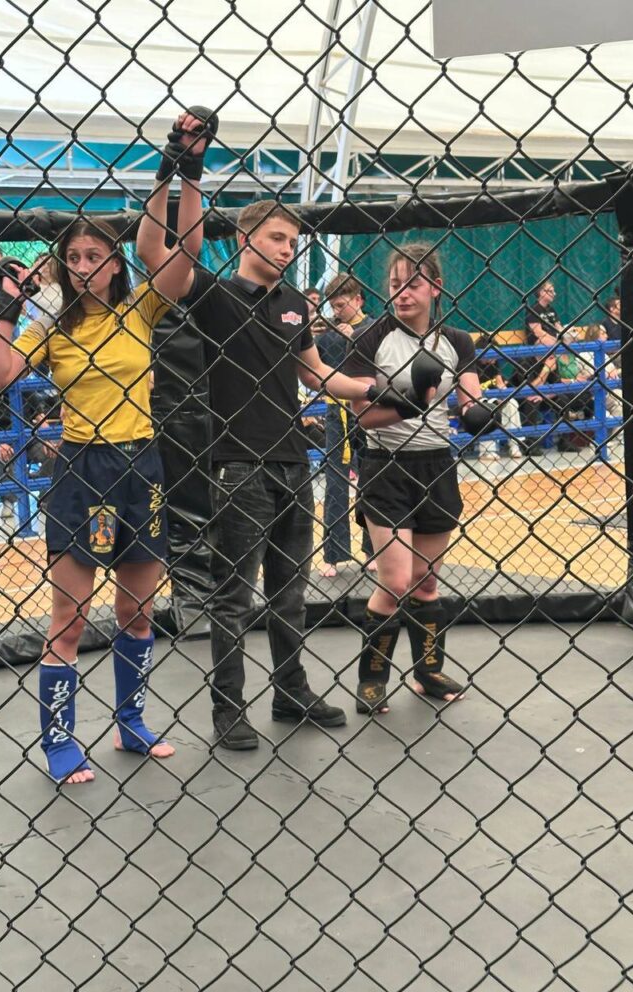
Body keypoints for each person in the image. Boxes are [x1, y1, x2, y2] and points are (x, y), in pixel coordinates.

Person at [136, 108, 395, 750]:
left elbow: (316, 375)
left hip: (290, 462)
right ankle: (228, 709)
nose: (286, 249)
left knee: (289, 592)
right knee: (233, 596)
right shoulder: (214, 293)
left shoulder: (293, 304)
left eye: (292, 241)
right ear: (246, 239)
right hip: (237, 464)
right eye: (276, 238)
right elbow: (156, 253)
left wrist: (379, 389)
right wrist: (182, 168)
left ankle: (290, 691)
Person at [0, 218, 175, 785]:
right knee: (69, 619)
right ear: (63, 266)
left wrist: (177, 177)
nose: (84, 266)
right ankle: (60, 742)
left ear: (115, 262)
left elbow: (178, 258)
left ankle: (131, 723)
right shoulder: (53, 321)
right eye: (74, 257)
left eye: (95, 256)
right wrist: (9, 306)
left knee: (137, 611)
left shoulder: (141, 307)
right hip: (83, 468)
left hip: (142, 464)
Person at [345, 243, 483, 713]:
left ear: (435, 288)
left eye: (413, 284)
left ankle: (428, 672)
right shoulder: (371, 338)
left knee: (425, 581)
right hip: (386, 465)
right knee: (396, 580)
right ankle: (372, 678)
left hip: (436, 464)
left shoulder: (457, 341)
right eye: (394, 285)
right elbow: (362, 416)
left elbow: (469, 401)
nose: (402, 293)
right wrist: (412, 404)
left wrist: (479, 415)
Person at [315, 273, 375, 576]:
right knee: (335, 482)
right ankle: (333, 554)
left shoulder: (375, 328)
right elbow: (312, 366)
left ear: (358, 300)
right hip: (336, 412)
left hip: (369, 410)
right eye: (333, 307)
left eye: (342, 305)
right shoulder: (326, 333)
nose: (337, 311)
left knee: (372, 477)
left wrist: (356, 337)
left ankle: (373, 549)